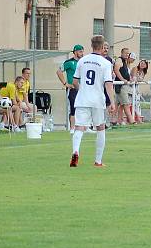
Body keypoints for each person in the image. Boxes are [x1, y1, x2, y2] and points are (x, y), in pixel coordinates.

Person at [70, 35, 116, 167]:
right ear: (102, 47)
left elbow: (74, 81)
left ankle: (75, 151)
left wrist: (82, 90)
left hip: (83, 99)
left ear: (91, 46)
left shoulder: (82, 60)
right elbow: (108, 84)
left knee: (79, 127)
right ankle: (98, 161)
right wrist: (112, 102)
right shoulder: (106, 63)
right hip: (97, 100)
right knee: (100, 128)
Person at [57, 44, 85, 133]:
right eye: (80, 51)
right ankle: (72, 128)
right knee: (73, 107)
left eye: (82, 51)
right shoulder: (69, 62)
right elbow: (59, 71)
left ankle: (84, 127)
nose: (82, 53)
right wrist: (65, 83)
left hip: (82, 88)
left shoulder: (83, 62)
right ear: (75, 52)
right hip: (72, 88)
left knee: (84, 108)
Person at [113, 48, 134, 125]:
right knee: (126, 103)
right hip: (121, 85)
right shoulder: (119, 60)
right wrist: (122, 79)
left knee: (119, 104)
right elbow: (116, 70)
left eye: (128, 53)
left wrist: (130, 79)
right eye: (125, 53)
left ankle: (116, 120)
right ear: (121, 53)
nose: (127, 55)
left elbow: (126, 73)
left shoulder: (125, 62)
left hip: (124, 85)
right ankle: (131, 120)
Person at [130, 58, 149, 123]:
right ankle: (136, 118)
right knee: (132, 103)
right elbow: (134, 78)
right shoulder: (135, 68)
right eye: (141, 63)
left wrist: (142, 81)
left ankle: (138, 118)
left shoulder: (143, 72)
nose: (142, 64)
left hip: (136, 88)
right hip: (131, 87)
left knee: (137, 103)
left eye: (144, 63)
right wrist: (140, 80)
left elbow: (140, 79)